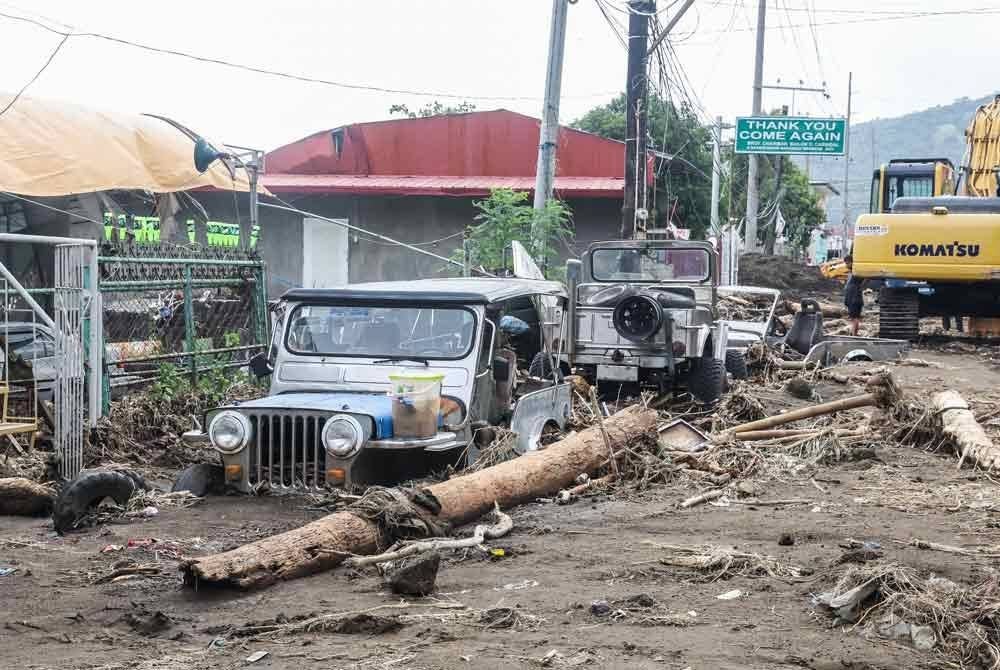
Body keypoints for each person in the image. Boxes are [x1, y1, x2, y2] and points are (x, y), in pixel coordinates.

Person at [843, 255, 863, 336]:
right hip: (852, 298)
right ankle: (854, 333)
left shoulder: (857, 272)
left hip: (854, 299)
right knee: (854, 318)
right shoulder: (852, 273)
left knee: (855, 318)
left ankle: (854, 334)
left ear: (852, 262)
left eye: (848, 263)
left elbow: (866, 279)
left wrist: (860, 287)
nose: (846, 265)